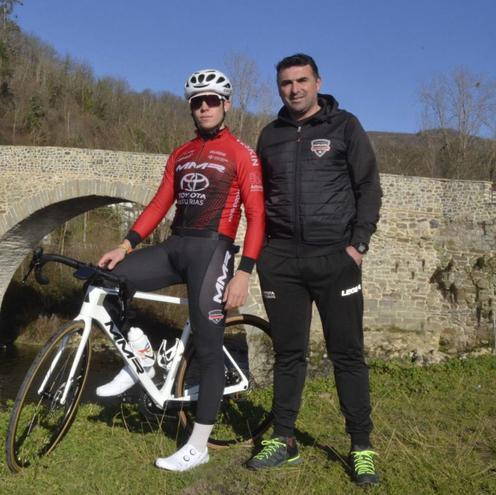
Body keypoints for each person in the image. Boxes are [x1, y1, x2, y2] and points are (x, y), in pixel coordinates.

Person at [95, 68, 264, 472]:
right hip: (175, 246)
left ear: (226, 105)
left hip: (213, 250)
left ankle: (199, 444)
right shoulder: (181, 154)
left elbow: (258, 217)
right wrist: (125, 245)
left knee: (208, 349)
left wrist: (244, 272)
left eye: (211, 101)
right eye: (197, 102)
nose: (204, 107)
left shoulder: (243, 154)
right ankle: (139, 353)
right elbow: (157, 204)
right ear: (191, 107)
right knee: (106, 281)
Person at [245, 53, 383, 486]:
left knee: (347, 354)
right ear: (279, 87)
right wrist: (262, 254)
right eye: (286, 83)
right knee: (288, 354)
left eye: (302, 80)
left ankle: (361, 445)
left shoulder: (345, 127)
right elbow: (258, 198)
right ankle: (283, 440)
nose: (294, 89)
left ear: (318, 82)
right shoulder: (270, 136)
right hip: (282, 262)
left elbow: (369, 187)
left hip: (334, 259)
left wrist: (357, 245)